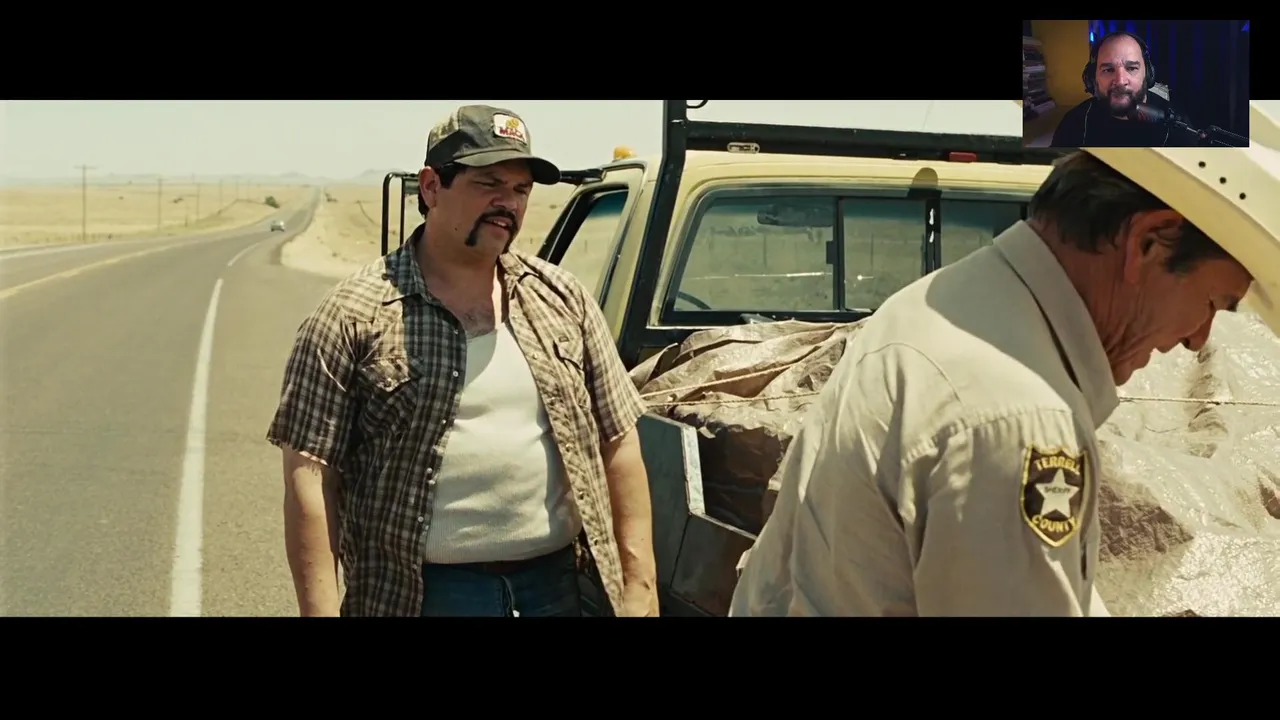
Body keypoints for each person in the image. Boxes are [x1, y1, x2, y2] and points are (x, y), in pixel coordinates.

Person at [728, 149, 1253, 616]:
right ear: (1148, 243)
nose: (1198, 339)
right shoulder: (1019, 415)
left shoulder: (949, 302)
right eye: (1213, 303)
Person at [267, 104, 658, 617]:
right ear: (432, 187)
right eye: (488, 184)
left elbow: (619, 441)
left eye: (520, 190)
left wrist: (640, 587)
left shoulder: (563, 299)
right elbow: (311, 477)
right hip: (421, 596)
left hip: (554, 588)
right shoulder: (352, 315)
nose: (507, 203)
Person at [1050, 31, 1197, 148]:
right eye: (1108, 70)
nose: (1120, 81)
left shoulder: (1178, 127)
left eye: (1132, 68)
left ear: (1148, 74)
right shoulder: (1074, 123)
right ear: (1093, 78)